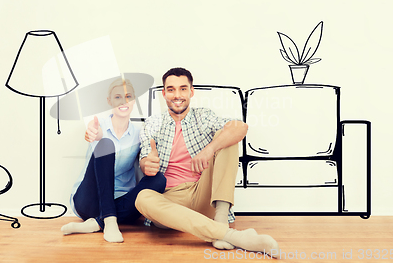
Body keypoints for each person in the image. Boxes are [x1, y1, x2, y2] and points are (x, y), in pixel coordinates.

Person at [135, 68, 280, 257]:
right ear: (164, 93)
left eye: (183, 89)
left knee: (227, 135)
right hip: (171, 200)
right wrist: (147, 164)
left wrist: (209, 149)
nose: (177, 95)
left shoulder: (203, 116)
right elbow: (145, 158)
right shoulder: (152, 123)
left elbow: (240, 127)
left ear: (191, 91)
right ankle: (234, 236)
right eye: (170, 90)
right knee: (142, 198)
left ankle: (220, 219)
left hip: (202, 193)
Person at [61, 78, 166, 243]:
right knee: (106, 144)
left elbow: (145, 161)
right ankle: (109, 220)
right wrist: (95, 135)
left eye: (128, 96)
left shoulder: (139, 134)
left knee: (159, 180)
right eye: (117, 97)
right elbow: (94, 132)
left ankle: (97, 223)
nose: (123, 101)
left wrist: (150, 160)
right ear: (109, 101)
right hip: (89, 201)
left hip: (121, 201)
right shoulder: (98, 125)